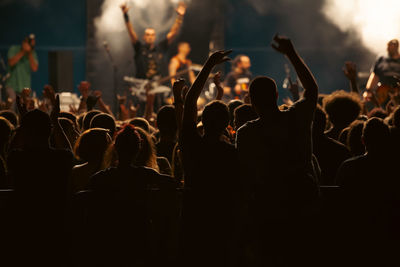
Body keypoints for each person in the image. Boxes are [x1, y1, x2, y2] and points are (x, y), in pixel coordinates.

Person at [235, 35, 319, 266]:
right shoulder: (296, 118)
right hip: (302, 205)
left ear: (251, 101)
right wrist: (291, 53)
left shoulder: (246, 133)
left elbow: (245, 176)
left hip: (267, 211)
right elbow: (311, 90)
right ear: (275, 96)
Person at [180, 50, 241, 266]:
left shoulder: (191, 145)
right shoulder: (233, 154)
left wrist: (209, 64)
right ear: (227, 125)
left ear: (202, 121)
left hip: (193, 218)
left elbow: (189, 103)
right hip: (223, 222)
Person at [88, 124, 177, 266]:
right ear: (138, 149)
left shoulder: (103, 177)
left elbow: (91, 184)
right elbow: (171, 183)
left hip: (111, 237)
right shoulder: (145, 174)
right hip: (140, 236)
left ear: (116, 148)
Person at [336, 118, 399, 266]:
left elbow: (338, 201)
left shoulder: (348, 167)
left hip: (356, 236)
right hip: (389, 236)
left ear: (363, 140)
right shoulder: (395, 169)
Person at [120, 2, 187, 111]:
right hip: (141, 87)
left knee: (158, 108)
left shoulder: (160, 48)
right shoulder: (139, 48)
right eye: (148, 34)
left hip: (156, 86)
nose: (150, 37)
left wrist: (180, 16)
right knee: (141, 110)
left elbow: (172, 33)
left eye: (152, 35)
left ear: (155, 37)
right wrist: (126, 16)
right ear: (144, 37)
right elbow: (131, 33)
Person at [365, 39, 400, 106]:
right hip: (383, 92)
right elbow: (375, 76)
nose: (388, 49)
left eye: (391, 46)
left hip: (398, 92)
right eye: (388, 46)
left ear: (396, 47)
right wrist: (368, 91)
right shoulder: (381, 59)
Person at [6, 34, 38, 104]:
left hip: (25, 87)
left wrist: (29, 53)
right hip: (12, 85)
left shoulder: (32, 53)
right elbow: (11, 62)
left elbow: (34, 68)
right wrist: (23, 51)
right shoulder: (14, 49)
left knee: (25, 108)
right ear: (24, 41)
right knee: (12, 103)